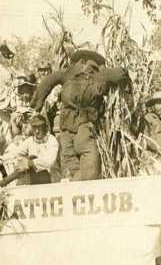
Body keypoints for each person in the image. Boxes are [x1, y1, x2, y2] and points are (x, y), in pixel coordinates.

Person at [33, 49, 131, 181]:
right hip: (74, 131)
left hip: (76, 130)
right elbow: (121, 74)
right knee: (82, 171)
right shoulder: (94, 74)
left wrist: (35, 106)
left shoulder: (76, 74)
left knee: (81, 170)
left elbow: (47, 82)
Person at [0, 115, 58, 186]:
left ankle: (4, 182)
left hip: (51, 178)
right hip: (34, 179)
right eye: (34, 127)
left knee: (31, 158)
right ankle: (4, 181)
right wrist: (2, 159)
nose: (37, 131)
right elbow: (16, 152)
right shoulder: (30, 140)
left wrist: (31, 162)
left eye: (39, 127)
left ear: (45, 127)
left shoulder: (51, 140)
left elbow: (49, 162)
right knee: (26, 160)